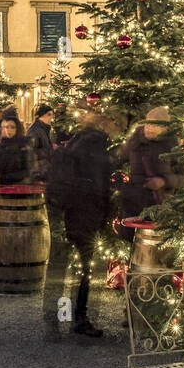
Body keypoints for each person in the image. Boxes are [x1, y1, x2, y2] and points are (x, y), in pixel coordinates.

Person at [44, 107, 121, 338]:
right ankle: (79, 317)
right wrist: (106, 214)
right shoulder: (98, 148)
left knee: (62, 268)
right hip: (85, 214)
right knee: (84, 269)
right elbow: (101, 187)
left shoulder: (75, 142)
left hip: (66, 212)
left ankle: (55, 318)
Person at [117, 106, 184, 237]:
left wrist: (163, 181)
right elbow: (117, 159)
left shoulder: (172, 145)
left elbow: (183, 177)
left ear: (164, 128)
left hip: (158, 206)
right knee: (129, 241)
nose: (148, 127)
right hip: (132, 203)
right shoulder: (135, 140)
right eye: (148, 122)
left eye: (154, 125)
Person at [0, 108, 34, 184]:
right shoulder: (1, 145)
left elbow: (27, 171)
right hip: (3, 187)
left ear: (17, 129)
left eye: (12, 127)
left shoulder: (24, 145)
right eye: (7, 127)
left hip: (20, 188)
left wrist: (3, 178)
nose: (9, 130)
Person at [28, 104, 55, 183]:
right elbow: (31, 152)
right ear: (41, 116)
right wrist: (49, 151)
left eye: (52, 115)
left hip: (43, 171)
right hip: (38, 173)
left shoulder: (44, 129)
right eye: (49, 115)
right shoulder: (34, 130)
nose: (51, 117)